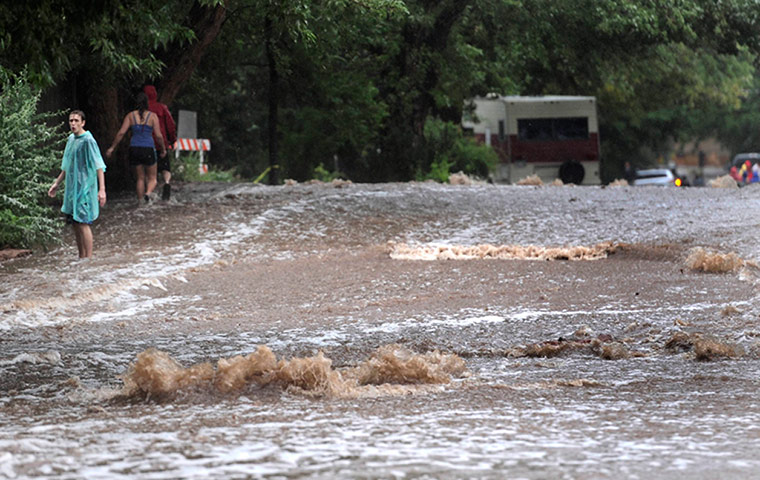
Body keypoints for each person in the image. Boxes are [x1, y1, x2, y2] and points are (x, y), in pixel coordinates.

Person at [48, 110, 107, 259]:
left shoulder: (88, 140)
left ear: (83, 122)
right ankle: (81, 257)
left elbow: (99, 165)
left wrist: (102, 190)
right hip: (73, 188)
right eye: (71, 121)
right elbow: (67, 165)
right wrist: (57, 183)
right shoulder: (71, 139)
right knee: (75, 222)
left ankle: (89, 258)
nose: (73, 123)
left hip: (86, 188)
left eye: (76, 120)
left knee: (83, 222)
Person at [106, 92, 167, 204]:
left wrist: (112, 147)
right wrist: (163, 149)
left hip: (134, 148)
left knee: (140, 178)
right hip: (148, 148)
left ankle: (140, 202)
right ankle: (148, 194)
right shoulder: (152, 116)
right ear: (147, 103)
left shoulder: (130, 116)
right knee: (152, 178)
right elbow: (158, 136)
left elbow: (121, 133)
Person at [143, 85, 177, 200]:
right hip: (161, 142)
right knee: (165, 167)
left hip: (146, 143)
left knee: (149, 171)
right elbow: (170, 125)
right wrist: (172, 140)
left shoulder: (141, 110)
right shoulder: (162, 108)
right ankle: (167, 182)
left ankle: (148, 193)